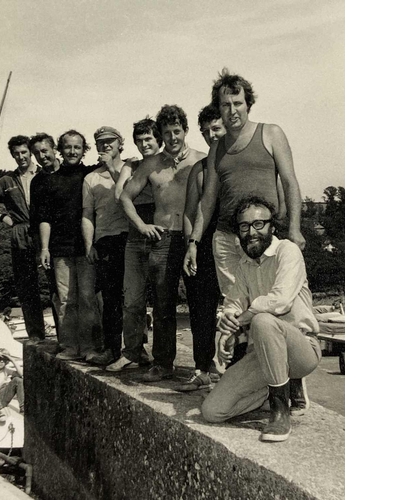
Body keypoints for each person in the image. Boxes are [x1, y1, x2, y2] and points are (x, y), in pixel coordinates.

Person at [201, 196, 321, 442]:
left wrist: (243, 319)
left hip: (301, 349)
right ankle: (272, 390)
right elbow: (233, 302)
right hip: (263, 355)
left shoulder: (288, 251)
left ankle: (280, 412)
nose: (251, 232)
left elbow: (279, 301)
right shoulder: (244, 266)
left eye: (259, 224)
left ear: (272, 227)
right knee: (212, 411)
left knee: (263, 320)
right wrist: (228, 326)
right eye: (244, 226)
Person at [184, 68, 305, 300]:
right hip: (227, 240)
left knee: (267, 304)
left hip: (261, 235)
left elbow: (290, 183)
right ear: (218, 109)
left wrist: (295, 229)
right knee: (236, 309)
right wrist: (193, 242)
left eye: (238, 103)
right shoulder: (216, 148)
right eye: (225, 105)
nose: (232, 111)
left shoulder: (271, 134)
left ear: (248, 104)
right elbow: (207, 200)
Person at [119, 105, 205, 382]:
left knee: (200, 304)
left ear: (185, 130)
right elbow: (124, 197)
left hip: (194, 238)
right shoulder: (151, 164)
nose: (172, 137)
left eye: (176, 131)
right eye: (166, 133)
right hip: (164, 238)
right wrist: (142, 226)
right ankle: (163, 363)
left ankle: (203, 367)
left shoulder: (200, 160)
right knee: (163, 305)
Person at [37, 129, 101, 361]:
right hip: (60, 249)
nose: (72, 151)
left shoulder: (91, 174)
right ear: (59, 150)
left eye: (77, 147)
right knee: (65, 299)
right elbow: (44, 218)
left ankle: (89, 347)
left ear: (84, 150)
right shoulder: (50, 181)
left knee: (87, 298)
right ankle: (69, 347)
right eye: (68, 147)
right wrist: (44, 248)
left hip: (86, 248)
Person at [176, 104, 226, 391]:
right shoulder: (200, 168)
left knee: (238, 308)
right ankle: (201, 368)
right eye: (206, 131)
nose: (211, 135)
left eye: (216, 129)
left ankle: (235, 370)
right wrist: (189, 247)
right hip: (202, 242)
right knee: (199, 307)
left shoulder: (239, 160)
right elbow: (189, 212)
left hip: (233, 241)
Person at [107, 118, 162, 372]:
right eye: (139, 140)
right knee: (132, 299)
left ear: (158, 139)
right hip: (135, 236)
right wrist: (131, 175)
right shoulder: (132, 164)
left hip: (161, 235)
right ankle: (132, 351)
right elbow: (119, 195)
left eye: (149, 138)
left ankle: (162, 358)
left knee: (162, 300)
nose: (144, 144)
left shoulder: (166, 162)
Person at [0, 135, 45, 341]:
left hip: (45, 232)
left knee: (55, 284)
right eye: (16, 154)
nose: (21, 157)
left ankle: (65, 337)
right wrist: (5, 218)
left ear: (31, 152)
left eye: (24, 152)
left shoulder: (44, 174)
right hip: (21, 234)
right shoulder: (8, 180)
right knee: (27, 286)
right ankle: (36, 335)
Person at [81, 127, 130, 365]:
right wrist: (90, 245)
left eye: (110, 141)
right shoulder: (90, 178)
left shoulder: (132, 170)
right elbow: (87, 215)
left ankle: (135, 349)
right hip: (105, 241)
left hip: (130, 239)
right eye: (100, 143)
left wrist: (112, 168)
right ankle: (112, 349)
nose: (105, 146)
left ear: (121, 144)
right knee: (110, 299)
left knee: (133, 297)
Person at [29, 133, 61, 335]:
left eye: (44, 151)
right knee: (57, 294)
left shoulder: (72, 172)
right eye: (36, 153)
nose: (41, 156)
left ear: (54, 149)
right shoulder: (37, 182)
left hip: (77, 244)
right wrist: (43, 248)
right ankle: (64, 340)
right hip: (51, 245)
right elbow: (39, 217)